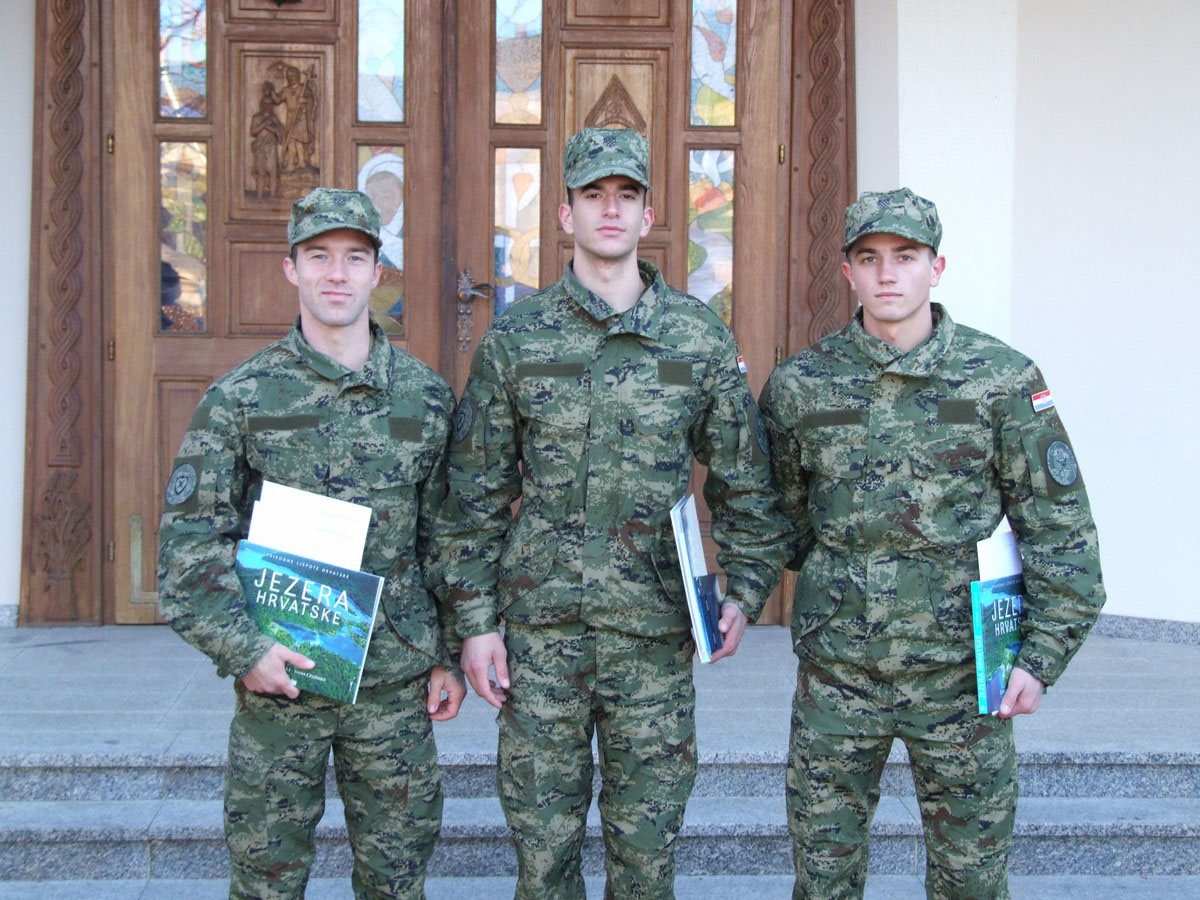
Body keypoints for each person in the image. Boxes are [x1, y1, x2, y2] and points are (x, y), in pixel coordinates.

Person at [434, 128, 787, 898]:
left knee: (646, 860)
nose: (610, 210)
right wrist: (475, 624)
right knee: (543, 859)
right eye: (593, 195)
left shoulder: (696, 338)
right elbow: (473, 495)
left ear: (649, 214)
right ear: (565, 215)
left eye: (626, 195)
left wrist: (746, 590)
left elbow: (745, 481)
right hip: (541, 637)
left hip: (653, 637)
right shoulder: (518, 339)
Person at [760, 188, 1106, 898]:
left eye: (906, 256)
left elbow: (1060, 529)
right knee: (822, 877)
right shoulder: (801, 386)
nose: (887, 273)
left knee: (970, 881)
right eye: (869, 258)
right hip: (838, 678)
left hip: (962, 680)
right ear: (847, 272)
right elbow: (783, 520)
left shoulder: (1000, 380)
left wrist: (1040, 658)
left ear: (937, 267)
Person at [157, 187, 465, 899]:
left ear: (377, 273)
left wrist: (447, 652)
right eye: (318, 256)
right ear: (290, 268)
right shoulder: (241, 399)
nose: (336, 274)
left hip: (391, 684)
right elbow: (190, 548)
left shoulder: (424, 398)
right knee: (266, 881)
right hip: (280, 680)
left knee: (396, 881)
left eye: (354, 258)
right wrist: (245, 650)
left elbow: (447, 538)